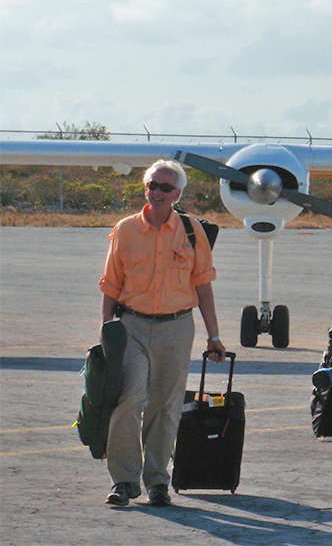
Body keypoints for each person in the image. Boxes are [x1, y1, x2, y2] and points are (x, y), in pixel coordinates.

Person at [98, 159, 226, 506]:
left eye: (164, 188)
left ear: (177, 194)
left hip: (176, 327)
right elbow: (111, 284)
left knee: (166, 406)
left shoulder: (191, 230)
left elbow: (202, 285)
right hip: (132, 326)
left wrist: (214, 337)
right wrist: (106, 332)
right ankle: (124, 481)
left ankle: (157, 482)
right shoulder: (125, 230)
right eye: (151, 185)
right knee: (129, 400)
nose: (156, 192)